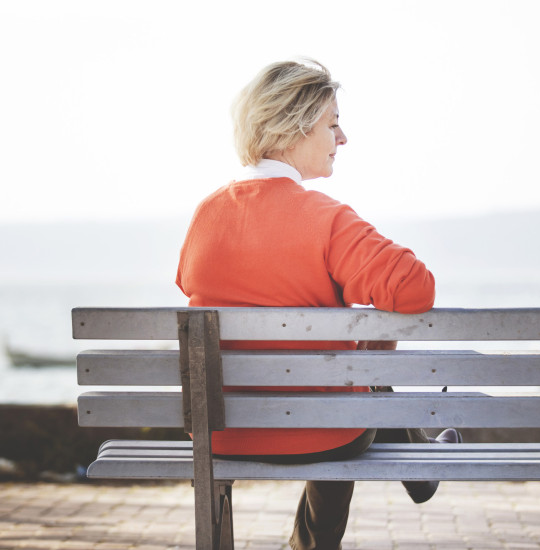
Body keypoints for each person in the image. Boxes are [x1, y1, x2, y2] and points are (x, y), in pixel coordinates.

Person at [175, 59, 459, 550]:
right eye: (332, 123)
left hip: (220, 432)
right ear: (296, 125)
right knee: (354, 387)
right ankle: (399, 486)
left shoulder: (206, 215)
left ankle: (421, 470)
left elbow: (188, 284)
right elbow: (418, 289)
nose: (342, 137)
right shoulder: (326, 219)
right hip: (322, 433)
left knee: (350, 385)